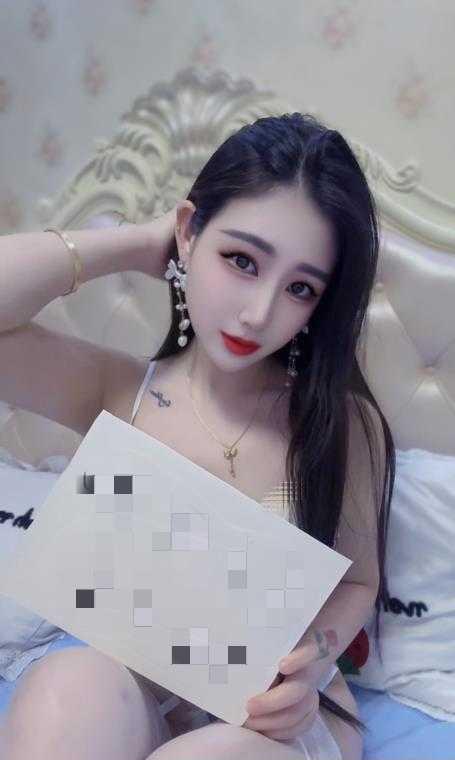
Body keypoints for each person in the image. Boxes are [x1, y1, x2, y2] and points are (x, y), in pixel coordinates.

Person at [0, 112, 395, 760]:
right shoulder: (115, 390)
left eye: (300, 288)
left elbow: (357, 583)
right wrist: (137, 244)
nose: (259, 312)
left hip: (271, 714)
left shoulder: (338, 423)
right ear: (188, 231)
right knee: (63, 687)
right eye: (241, 260)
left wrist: (312, 662)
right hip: (137, 682)